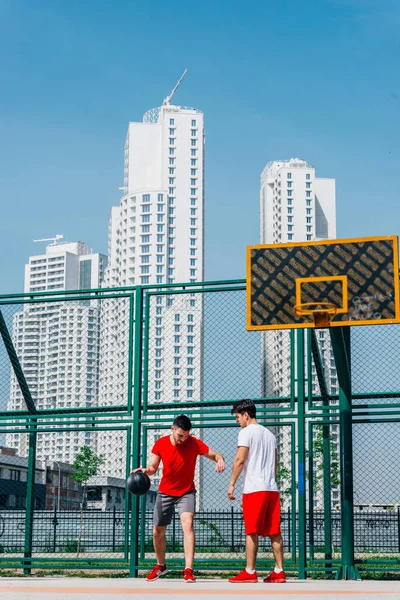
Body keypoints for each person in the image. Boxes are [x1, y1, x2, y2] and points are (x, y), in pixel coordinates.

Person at [132, 414, 225, 583]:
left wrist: (220, 460)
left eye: (186, 436)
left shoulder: (194, 443)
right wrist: (146, 470)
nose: (183, 439)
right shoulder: (161, 443)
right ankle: (161, 566)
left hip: (186, 492)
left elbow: (215, 455)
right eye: (180, 435)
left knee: (187, 524)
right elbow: (153, 467)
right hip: (165, 491)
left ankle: (188, 570)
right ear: (172, 429)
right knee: (157, 531)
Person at [227, 399, 285, 584]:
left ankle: (250, 571)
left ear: (246, 415)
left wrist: (232, 484)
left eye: (238, 417)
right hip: (271, 488)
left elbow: (239, 459)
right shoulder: (270, 435)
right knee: (274, 531)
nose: (237, 421)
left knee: (251, 530)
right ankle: (279, 571)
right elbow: (275, 465)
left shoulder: (246, 432)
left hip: (254, 489)